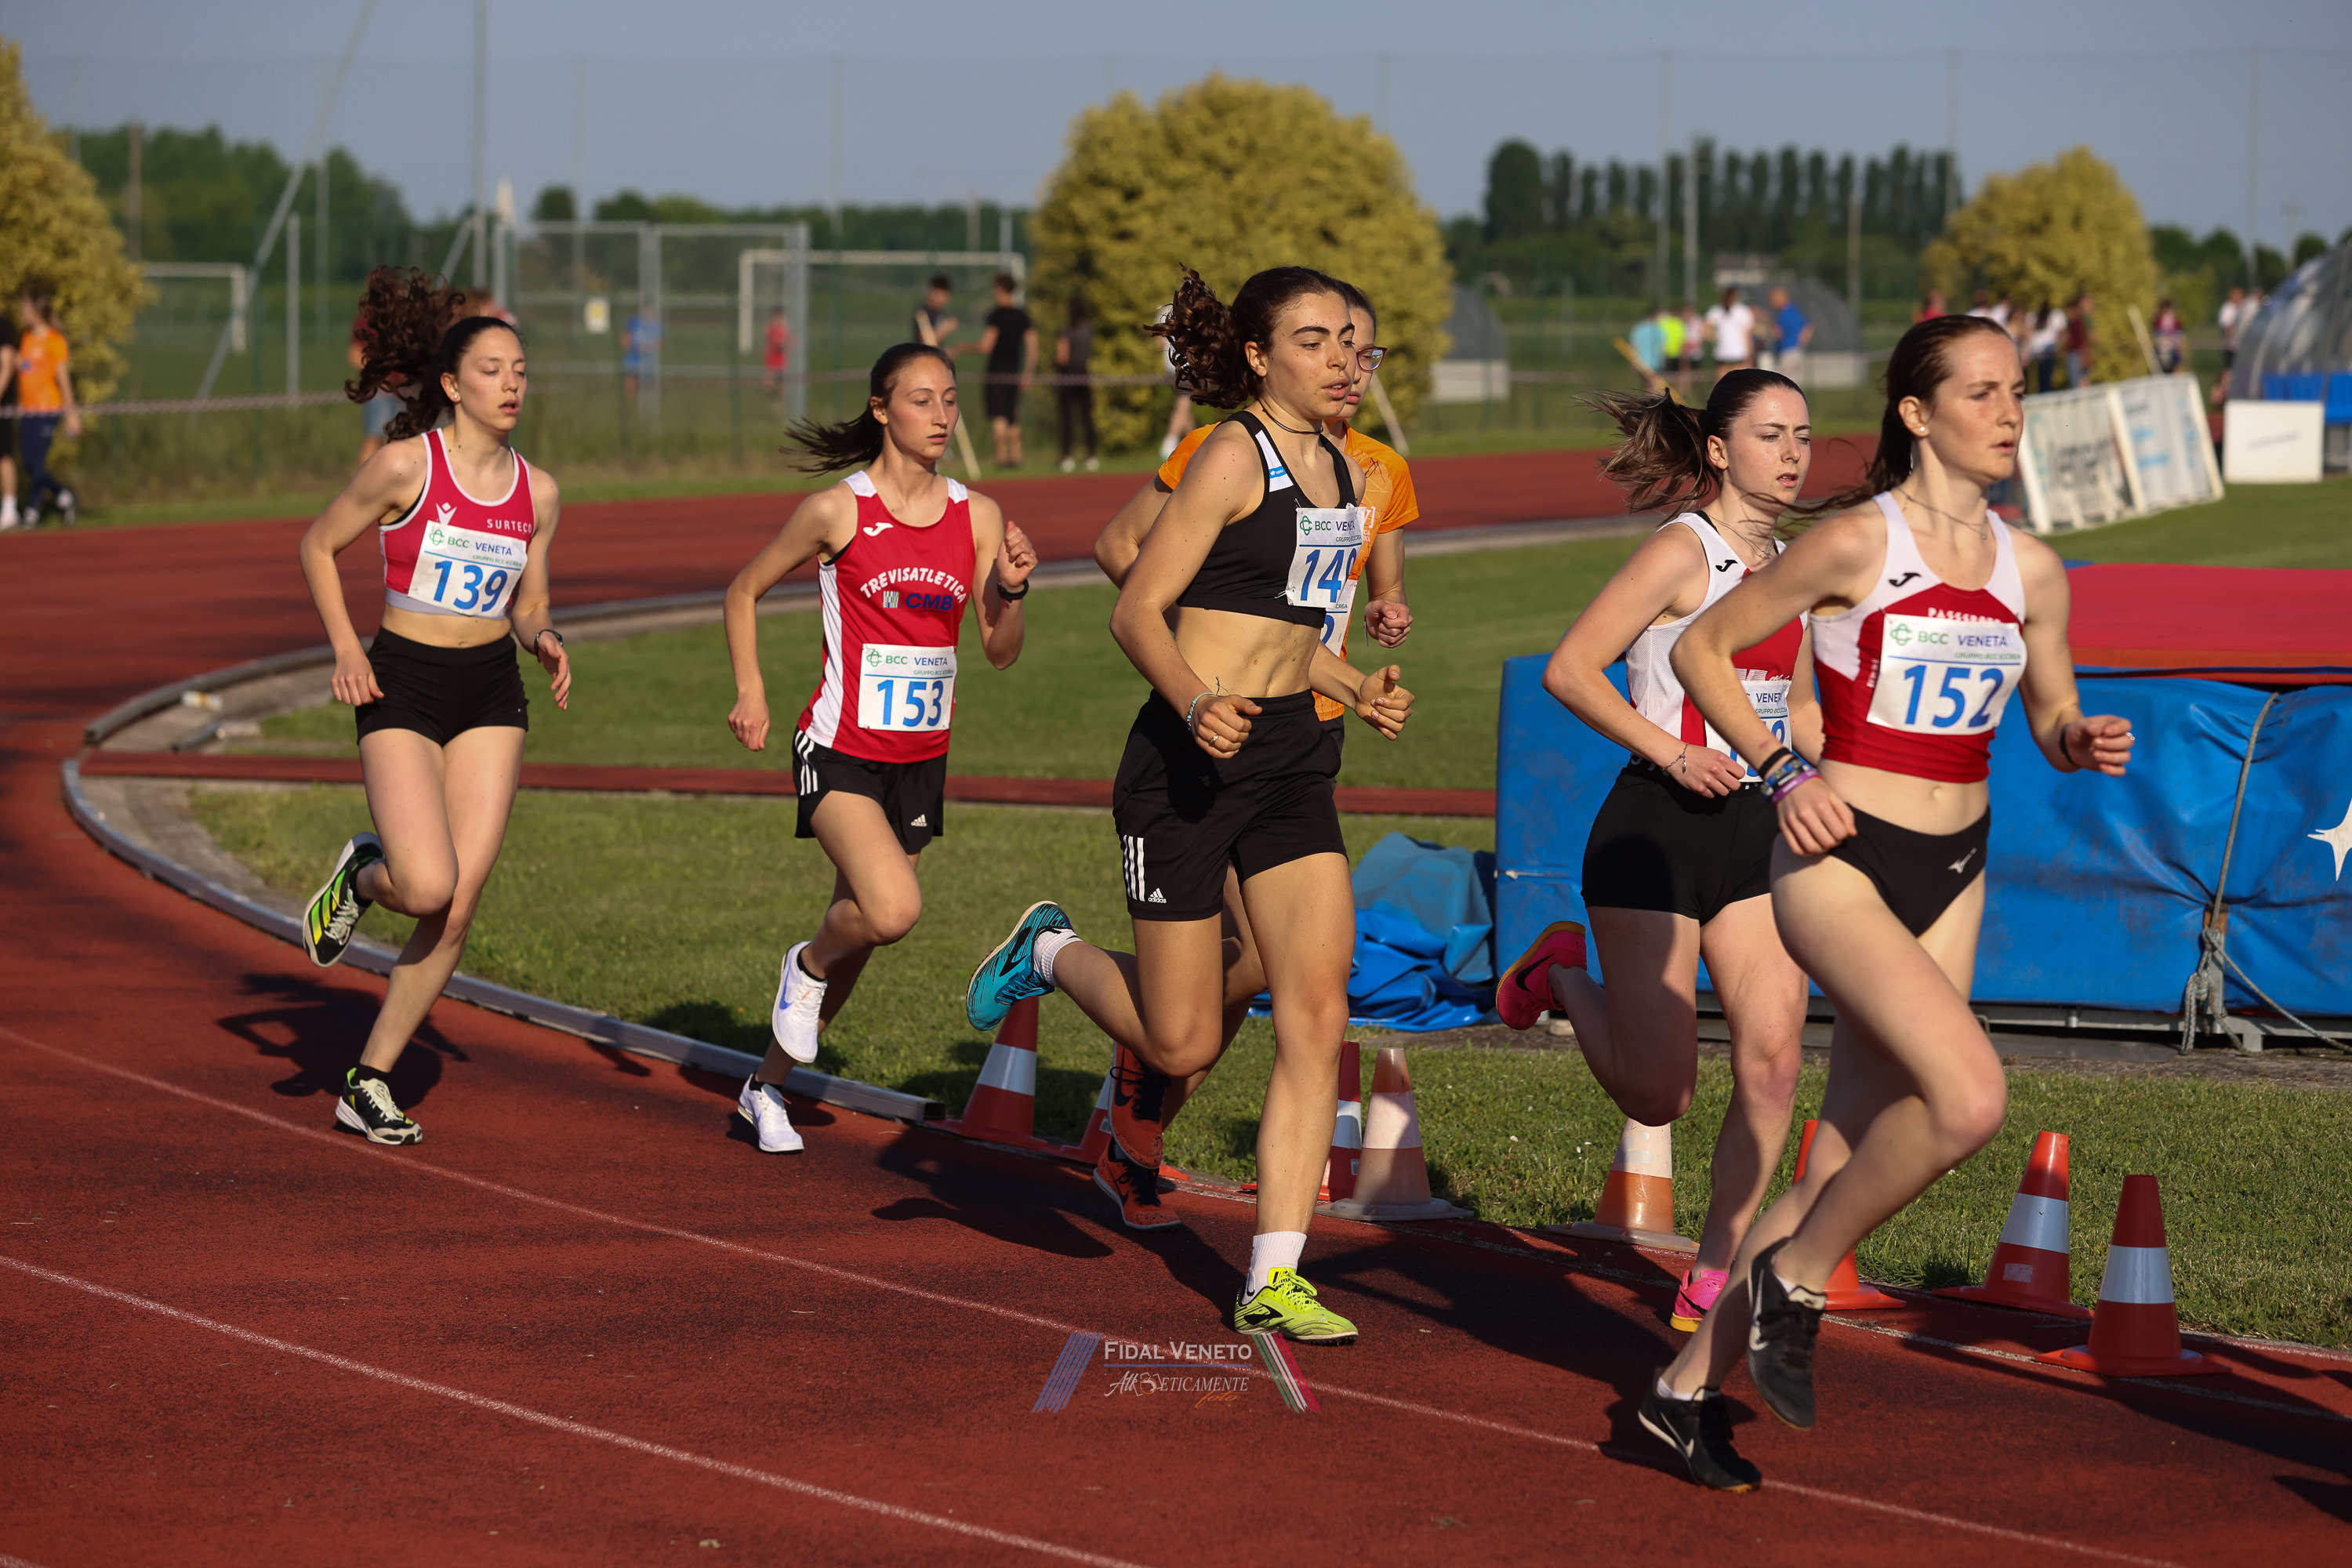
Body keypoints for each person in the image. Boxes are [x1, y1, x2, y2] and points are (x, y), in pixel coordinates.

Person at [1636, 314, 2134, 1491]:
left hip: (1956, 864)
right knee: (1968, 1097)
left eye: (2019, 391)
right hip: (1842, 858)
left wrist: (2077, 735)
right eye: (1982, 392)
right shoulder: (1860, 539)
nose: (2010, 413)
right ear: (1917, 413)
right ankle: (1798, 1280)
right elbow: (1706, 650)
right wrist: (1783, 770)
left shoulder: (2032, 566)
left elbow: (2049, 711)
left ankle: (1681, 1390)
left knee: (1841, 1159)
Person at [964, 278, 1416, 1234]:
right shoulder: (1229, 455)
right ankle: (1048, 949)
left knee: (1314, 1009)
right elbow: (1134, 607)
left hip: (1291, 754)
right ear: (1259, 355)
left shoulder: (1346, 473)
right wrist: (1198, 693)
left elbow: (1290, 635)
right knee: (1181, 1039)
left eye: (1349, 341)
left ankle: (1274, 1274)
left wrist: (1354, 687)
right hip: (1189, 757)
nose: (1342, 359)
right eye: (1315, 340)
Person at [1494, 368, 1815, 1337]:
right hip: (1659, 826)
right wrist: (1672, 750)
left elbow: (1800, 708)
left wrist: (1834, 783)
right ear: (1719, 449)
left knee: (1774, 1061)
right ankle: (1560, 974)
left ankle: (1715, 1268)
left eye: (1803, 435)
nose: (1793, 454)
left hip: (1760, 829)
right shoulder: (1684, 550)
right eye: (1770, 434)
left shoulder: (1799, 567)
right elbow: (1570, 669)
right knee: (1658, 1093)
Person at [720, 343, 1036, 1154]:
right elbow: (743, 588)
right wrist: (751, 689)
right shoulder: (839, 510)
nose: (941, 415)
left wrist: (1011, 589)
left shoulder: (977, 515)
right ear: (882, 409)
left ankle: (766, 1087)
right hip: (839, 747)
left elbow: (1000, 651)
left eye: (950, 399)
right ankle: (803, 964)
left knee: (861, 933)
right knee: (891, 910)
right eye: (921, 400)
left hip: (920, 759)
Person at [294, 267, 573, 1145]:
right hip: (403, 682)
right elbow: (317, 544)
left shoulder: (539, 493)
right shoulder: (407, 464)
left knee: (457, 906)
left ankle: (368, 1080)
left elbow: (528, 602)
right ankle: (364, 875)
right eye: (493, 370)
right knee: (423, 884)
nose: (511, 385)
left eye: (520, 371)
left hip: (490, 690)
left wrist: (543, 636)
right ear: (452, 384)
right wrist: (347, 647)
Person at [13, 291, 82, 528]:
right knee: (28, 462)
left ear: (38, 313)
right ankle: (63, 495)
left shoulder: (55, 341)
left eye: (25, 309)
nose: (22, 313)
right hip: (28, 410)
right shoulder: (26, 339)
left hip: (48, 409)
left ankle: (32, 510)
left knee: (38, 462)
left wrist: (71, 413)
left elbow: (63, 380)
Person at [965, 273, 1036, 470]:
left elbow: (986, 346)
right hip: (1014, 374)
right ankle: (1017, 457)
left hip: (996, 374)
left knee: (998, 416)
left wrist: (965, 347)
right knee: (1012, 416)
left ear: (999, 289)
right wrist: (1027, 374)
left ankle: (1002, 459)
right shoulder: (1022, 315)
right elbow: (1033, 346)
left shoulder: (996, 315)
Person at [349, 308, 402, 467]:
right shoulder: (368, 321)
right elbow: (354, 355)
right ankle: (365, 481)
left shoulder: (401, 319)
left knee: (397, 441)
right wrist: (380, 374)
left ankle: (393, 480)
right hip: (380, 391)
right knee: (374, 439)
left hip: (401, 390)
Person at [1055, 293, 1098, 473]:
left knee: (1067, 418)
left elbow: (1062, 357)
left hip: (1068, 376)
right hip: (1083, 374)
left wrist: (1053, 364)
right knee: (1086, 417)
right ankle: (1091, 456)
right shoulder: (1088, 329)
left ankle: (1067, 456)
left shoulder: (1066, 331)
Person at [1704, 287, 1755, 378]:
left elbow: (1706, 330)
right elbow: (1747, 335)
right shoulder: (1743, 311)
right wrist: (1750, 352)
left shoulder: (1717, 310)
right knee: (1741, 380)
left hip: (1722, 352)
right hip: (1739, 352)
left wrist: (1714, 340)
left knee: (1722, 381)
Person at [1767, 286, 1811, 383]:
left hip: (1788, 352)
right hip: (1796, 351)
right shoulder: (1794, 310)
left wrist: (1768, 323)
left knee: (1780, 383)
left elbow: (1778, 334)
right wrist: (1799, 345)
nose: (1772, 302)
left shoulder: (1784, 314)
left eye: (1773, 299)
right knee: (1792, 383)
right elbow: (1807, 328)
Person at [623, 304, 660, 402]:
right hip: (633, 359)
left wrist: (648, 347)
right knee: (630, 381)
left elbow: (661, 342)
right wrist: (632, 345)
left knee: (648, 385)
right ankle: (630, 403)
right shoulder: (634, 322)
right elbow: (625, 338)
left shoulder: (656, 324)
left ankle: (646, 403)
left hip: (648, 360)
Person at [912, 273, 958, 350]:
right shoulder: (922, 313)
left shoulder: (940, 312)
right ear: (932, 291)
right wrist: (946, 328)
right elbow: (926, 342)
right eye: (942, 294)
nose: (945, 298)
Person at [2025, 301, 2063, 394]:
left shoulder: (2038, 318)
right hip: (2046, 352)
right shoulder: (2048, 318)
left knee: (2042, 378)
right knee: (2046, 378)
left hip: (2040, 352)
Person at [2063, 293, 2094, 389]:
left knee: (2077, 383)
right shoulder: (2074, 322)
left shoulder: (2079, 321)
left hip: (2077, 354)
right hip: (2078, 354)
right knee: (2082, 381)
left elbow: (2087, 338)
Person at [764, 306, 795, 398]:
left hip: (782, 359)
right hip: (772, 359)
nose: (779, 318)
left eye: (781, 316)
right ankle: (772, 398)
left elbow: (790, 342)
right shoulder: (770, 327)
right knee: (769, 381)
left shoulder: (786, 327)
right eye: (777, 316)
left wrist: (785, 345)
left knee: (783, 383)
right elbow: (771, 343)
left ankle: (782, 401)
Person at [2151, 297, 2185, 375]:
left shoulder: (2175, 321)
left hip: (2173, 346)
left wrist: (2176, 341)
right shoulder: (2158, 321)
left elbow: (2178, 333)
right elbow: (2157, 333)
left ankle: (2176, 376)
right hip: (2162, 347)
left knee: (2176, 361)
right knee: (2160, 365)